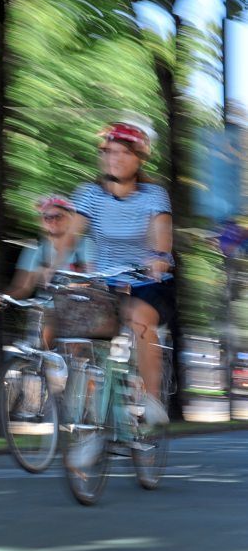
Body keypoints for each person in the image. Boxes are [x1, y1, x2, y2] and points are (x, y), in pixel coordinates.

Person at [69, 120, 174, 426]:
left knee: (141, 320)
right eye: (109, 152)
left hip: (148, 280)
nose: (115, 158)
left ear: (139, 159)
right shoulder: (89, 194)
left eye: (124, 153)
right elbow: (68, 238)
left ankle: (152, 400)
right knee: (78, 336)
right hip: (106, 283)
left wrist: (158, 256)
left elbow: (162, 232)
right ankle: (88, 422)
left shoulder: (154, 195)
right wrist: (52, 268)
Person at [0, 195, 94, 311]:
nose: (53, 221)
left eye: (59, 216)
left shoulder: (84, 244)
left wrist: (69, 287)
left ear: (71, 219)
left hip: (80, 310)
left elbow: (94, 282)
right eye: (48, 218)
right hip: (47, 312)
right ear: (42, 222)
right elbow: (23, 287)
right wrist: (4, 298)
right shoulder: (35, 249)